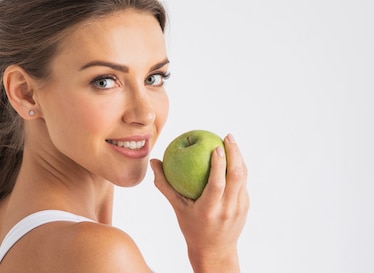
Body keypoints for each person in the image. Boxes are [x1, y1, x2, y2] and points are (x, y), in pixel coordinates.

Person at [0, 0, 249, 272]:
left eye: (153, 78)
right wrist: (216, 254)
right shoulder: (99, 254)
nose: (145, 114)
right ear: (25, 93)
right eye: (104, 81)